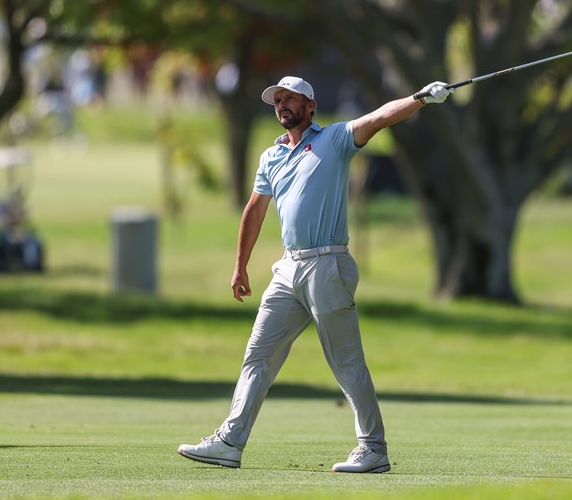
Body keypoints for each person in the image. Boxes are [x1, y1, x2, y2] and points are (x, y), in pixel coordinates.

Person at [178, 76, 452, 473]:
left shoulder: (334, 140)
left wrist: (420, 98)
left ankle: (373, 449)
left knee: (345, 362)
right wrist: (240, 265)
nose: (282, 105)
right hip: (287, 268)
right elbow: (254, 211)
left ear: (310, 105)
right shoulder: (271, 157)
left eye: (290, 99)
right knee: (258, 354)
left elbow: (378, 118)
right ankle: (230, 442)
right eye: (277, 100)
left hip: (328, 265)